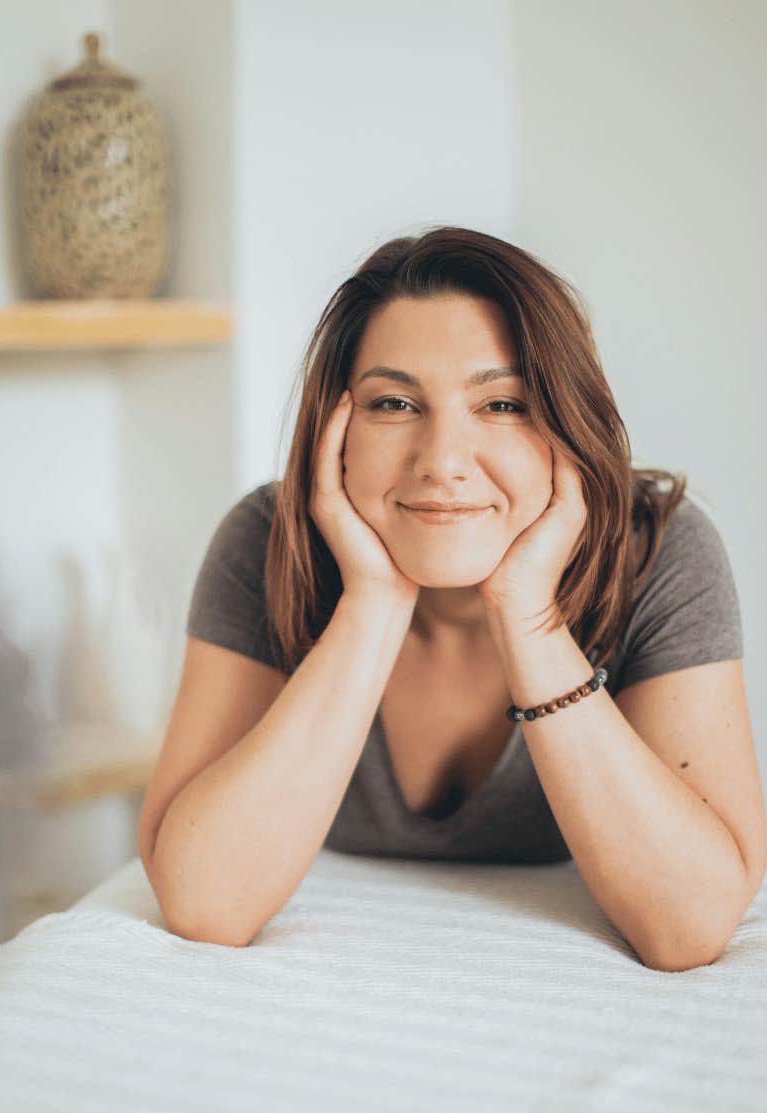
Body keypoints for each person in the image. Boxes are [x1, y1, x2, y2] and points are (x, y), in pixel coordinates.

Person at [138, 226, 763, 963]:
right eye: (395, 404)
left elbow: (688, 926)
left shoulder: (658, 550)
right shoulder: (265, 541)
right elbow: (206, 902)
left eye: (501, 405)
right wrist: (373, 602)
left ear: (569, 423)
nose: (441, 463)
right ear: (334, 429)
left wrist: (529, 616)